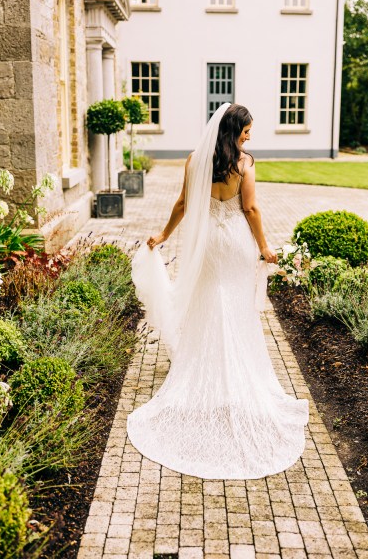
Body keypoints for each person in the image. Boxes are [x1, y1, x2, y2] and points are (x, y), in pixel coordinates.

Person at [128, 103, 308, 479]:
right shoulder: (244, 164)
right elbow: (251, 210)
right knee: (235, 308)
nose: (249, 137)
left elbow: (182, 204)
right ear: (233, 130)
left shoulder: (195, 160)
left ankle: (206, 369)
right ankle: (235, 377)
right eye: (246, 132)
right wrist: (264, 247)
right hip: (237, 245)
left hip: (208, 244)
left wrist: (163, 235)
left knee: (209, 303)